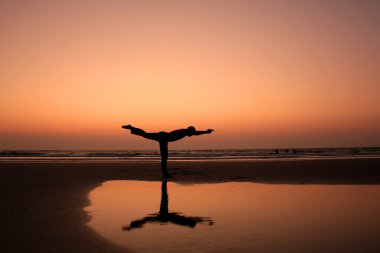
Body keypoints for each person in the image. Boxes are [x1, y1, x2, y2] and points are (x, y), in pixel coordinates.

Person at [122, 125, 214, 177]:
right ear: (189, 131)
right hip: (163, 137)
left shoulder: (184, 131)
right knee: (164, 157)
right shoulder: (184, 131)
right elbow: (196, 133)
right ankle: (165, 174)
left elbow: (195, 133)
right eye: (191, 133)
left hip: (164, 137)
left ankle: (132, 128)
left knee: (145, 135)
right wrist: (206, 132)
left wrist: (206, 132)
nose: (191, 135)